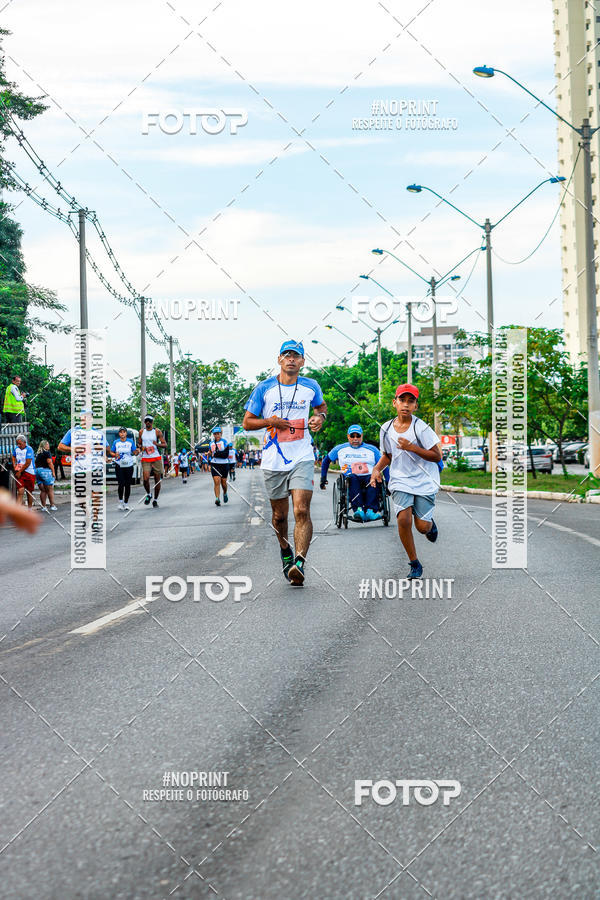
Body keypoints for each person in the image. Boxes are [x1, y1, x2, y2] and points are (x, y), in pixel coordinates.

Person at [243, 339, 327, 586]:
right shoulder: (264, 388)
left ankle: (299, 562)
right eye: (286, 355)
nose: (291, 359)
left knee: (301, 509)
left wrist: (319, 418)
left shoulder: (311, 386)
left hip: (302, 456)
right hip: (273, 460)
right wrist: (271, 421)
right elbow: (247, 422)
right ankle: (285, 549)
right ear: (278, 359)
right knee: (280, 516)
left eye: (296, 356)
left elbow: (321, 408)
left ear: (302, 361)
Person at [370, 384, 442, 579]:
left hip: (425, 480)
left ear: (416, 406)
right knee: (403, 519)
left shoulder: (421, 428)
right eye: (402, 400)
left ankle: (429, 524)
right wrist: (376, 469)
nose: (406, 405)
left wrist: (412, 448)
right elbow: (388, 455)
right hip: (400, 479)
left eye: (411, 401)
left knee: (422, 527)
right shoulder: (385, 429)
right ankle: (414, 563)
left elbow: (437, 456)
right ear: (395, 403)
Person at [320, 424, 384, 522]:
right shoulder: (339, 449)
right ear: (348, 436)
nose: (355, 439)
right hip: (350, 477)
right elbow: (325, 461)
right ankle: (358, 510)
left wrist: (388, 481)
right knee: (352, 478)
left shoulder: (372, 449)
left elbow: (384, 463)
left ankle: (371, 511)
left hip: (369, 476)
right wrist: (323, 478)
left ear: (362, 436)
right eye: (352, 436)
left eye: (358, 436)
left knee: (373, 478)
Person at [57, 410, 113, 522]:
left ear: (92, 419)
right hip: (79, 469)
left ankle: (95, 519)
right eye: (83, 417)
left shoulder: (98, 433)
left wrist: (104, 453)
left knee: (96, 493)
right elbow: (60, 446)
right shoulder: (72, 432)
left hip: (95, 468)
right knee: (79, 497)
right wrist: (72, 449)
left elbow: (107, 448)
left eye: (88, 417)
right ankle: (87, 514)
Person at [138, 416, 167, 508]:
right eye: (146, 421)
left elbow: (165, 444)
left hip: (156, 457)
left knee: (157, 480)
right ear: (144, 422)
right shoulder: (141, 432)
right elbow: (139, 444)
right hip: (146, 457)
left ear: (152, 422)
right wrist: (141, 447)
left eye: (149, 421)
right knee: (145, 478)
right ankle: (149, 494)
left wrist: (156, 444)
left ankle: (155, 500)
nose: (148, 423)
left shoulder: (157, 431)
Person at [110, 427, 139, 510]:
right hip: (119, 465)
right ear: (119, 434)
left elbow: (134, 452)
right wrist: (114, 454)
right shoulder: (116, 442)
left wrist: (137, 451)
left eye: (124, 432)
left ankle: (126, 503)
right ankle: (120, 502)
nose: (122, 434)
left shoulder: (130, 442)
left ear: (126, 433)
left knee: (127, 485)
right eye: (121, 432)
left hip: (129, 465)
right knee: (121, 484)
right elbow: (111, 452)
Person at [12, 434, 36, 508]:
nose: (18, 445)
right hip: (20, 472)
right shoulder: (16, 448)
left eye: (20, 443)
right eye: (17, 444)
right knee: (20, 491)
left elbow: (28, 463)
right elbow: (13, 456)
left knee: (29, 492)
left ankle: (29, 508)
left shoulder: (29, 449)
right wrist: (14, 466)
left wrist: (20, 472)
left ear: (24, 442)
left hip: (29, 472)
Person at [209, 427, 230, 506]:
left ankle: (225, 493)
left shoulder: (225, 442)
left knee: (223, 483)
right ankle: (217, 498)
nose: (217, 435)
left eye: (218, 433)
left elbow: (225, 455)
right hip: (215, 464)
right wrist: (210, 455)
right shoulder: (211, 443)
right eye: (215, 434)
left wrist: (216, 454)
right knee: (216, 481)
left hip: (224, 464)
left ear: (221, 434)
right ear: (213, 435)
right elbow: (211, 453)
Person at [35, 440, 57, 511]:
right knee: (50, 489)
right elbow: (50, 463)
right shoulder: (47, 453)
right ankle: (52, 505)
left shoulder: (38, 454)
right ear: (44, 446)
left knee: (43, 490)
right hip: (45, 471)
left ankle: (44, 506)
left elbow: (36, 464)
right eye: (47, 444)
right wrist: (53, 472)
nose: (49, 445)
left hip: (38, 471)